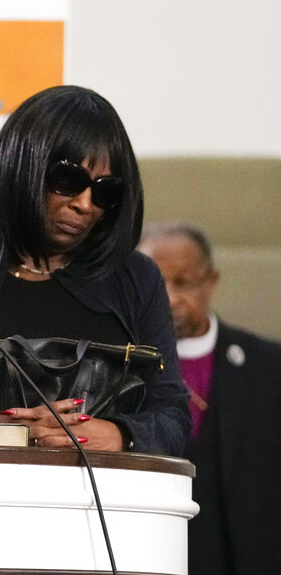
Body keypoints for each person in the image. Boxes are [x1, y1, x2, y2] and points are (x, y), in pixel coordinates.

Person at [0, 85, 189, 456]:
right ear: (21, 167)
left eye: (105, 191)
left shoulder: (136, 279)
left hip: (102, 489)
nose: (85, 204)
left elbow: (173, 415)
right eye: (69, 181)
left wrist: (119, 435)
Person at [138, 222, 281, 574]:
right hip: (145, 549)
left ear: (211, 281)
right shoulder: (116, 365)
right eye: (156, 284)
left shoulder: (268, 366)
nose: (169, 298)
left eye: (183, 282)